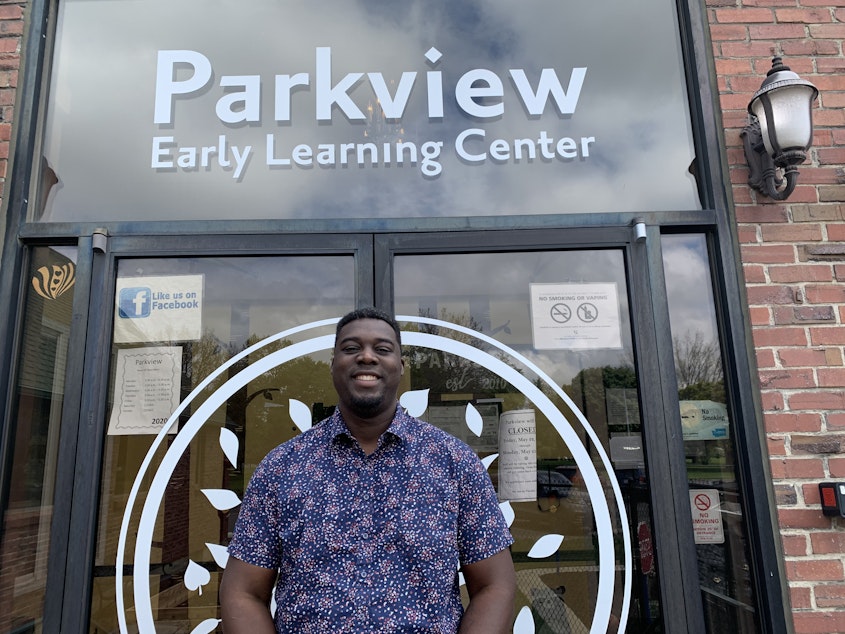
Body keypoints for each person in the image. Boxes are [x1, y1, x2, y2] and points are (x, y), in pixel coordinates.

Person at [220, 307, 516, 633]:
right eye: (350, 348)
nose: (366, 356)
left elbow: (495, 586)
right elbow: (242, 592)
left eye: (383, 349)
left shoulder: (454, 463)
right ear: (333, 364)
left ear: (401, 367)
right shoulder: (282, 468)